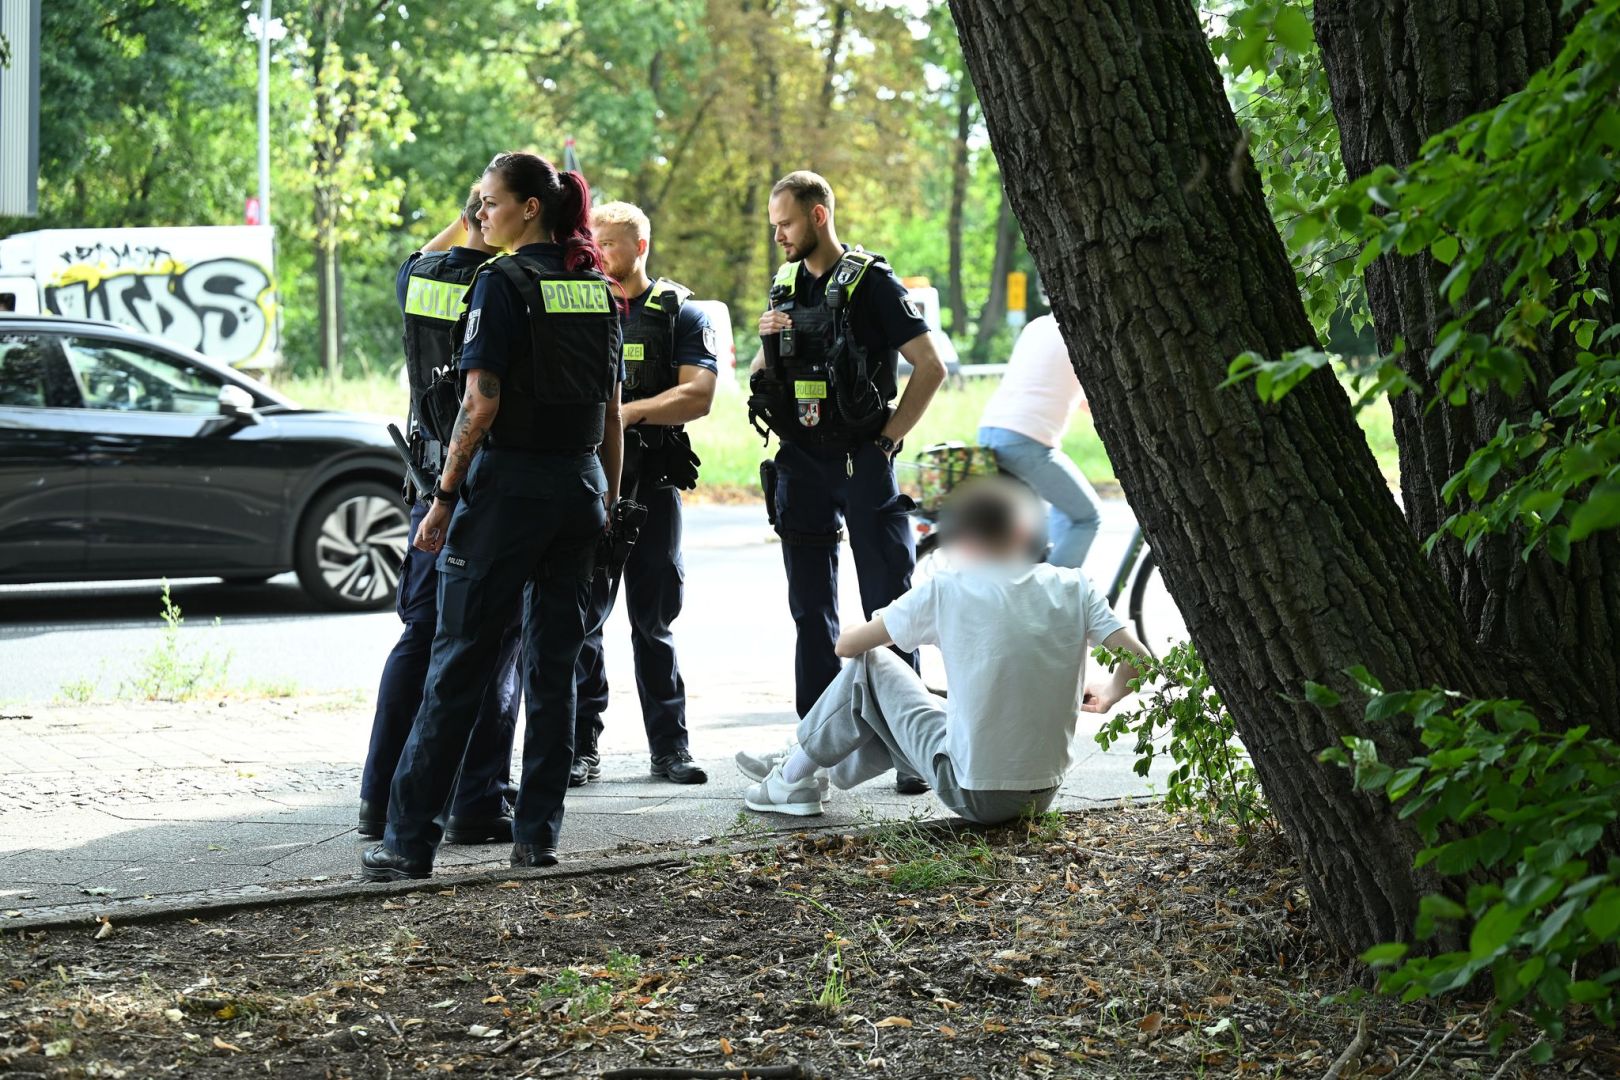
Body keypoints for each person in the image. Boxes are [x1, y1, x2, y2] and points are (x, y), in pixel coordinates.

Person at [361, 151, 623, 881]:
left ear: (531, 207)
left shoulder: (500, 283)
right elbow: (611, 413)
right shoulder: (593, 289)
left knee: (458, 663)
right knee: (554, 668)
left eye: (492, 203)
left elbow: (481, 402)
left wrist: (443, 497)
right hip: (578, 486)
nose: (483, 216)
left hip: (505, 491)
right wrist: (605, 495)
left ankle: (406, 844)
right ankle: (536, 838)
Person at [736, 477, 1150, 823]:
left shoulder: (948, 589)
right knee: (917, 705)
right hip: (1043, 793)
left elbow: (849, 646)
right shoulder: (1074, 587)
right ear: (1024, 533)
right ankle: (808, 763)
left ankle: (792, 776)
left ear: (962, 540)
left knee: (872, 667)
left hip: (973, 793)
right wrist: (1110, 692)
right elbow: (1140, 662)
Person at [748, 171, 948, 796]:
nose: (777, 235)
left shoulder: (872, 282)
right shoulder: (784, 284)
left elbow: (930, 366)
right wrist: (765, 346)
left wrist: (887, 440)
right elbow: (761, 371)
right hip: (800, 460)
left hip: (862, 458)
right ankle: (812, 747)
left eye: (785, 223)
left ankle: (912, 751)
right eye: (774, 225)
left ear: (819, 215)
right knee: (811, 610)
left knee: (888, 606)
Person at [356, 184, 524, 847]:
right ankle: (478, 802)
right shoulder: (506, 284)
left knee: (421, 633)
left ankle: (378, 796)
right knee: (489, 643)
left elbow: (430, 249)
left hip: (424, 474)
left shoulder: (421, 274)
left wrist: (464, 214)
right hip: (477, 479)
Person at [571, 202, 717, 787]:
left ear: (641, 246)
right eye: (594, 241)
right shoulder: (579, 303)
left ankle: (670, 749)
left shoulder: (679, 310)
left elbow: (698, 395)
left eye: (610, 243)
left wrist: (626, 414)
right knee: (583, 621)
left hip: (653, 485)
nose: (600, 253)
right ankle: (580, 747)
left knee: (653, 623)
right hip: (594, 486)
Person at [977, 313, 1102, 569]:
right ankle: (1053, 595)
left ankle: (1043, 572)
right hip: (1024, 441)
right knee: (1087, 517)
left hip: (991, 430)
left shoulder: (1037, 326)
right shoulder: (1079, 331)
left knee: (1061, 509)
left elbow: (1053, 383)